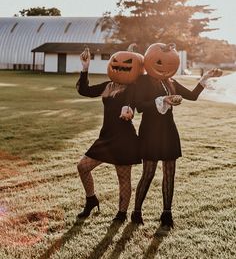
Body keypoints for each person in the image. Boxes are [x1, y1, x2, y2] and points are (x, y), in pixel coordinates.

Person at [131, 43, 222, 228]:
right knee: (148, 173)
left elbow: (193, 95)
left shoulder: (170, 81)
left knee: (169, 173)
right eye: (160, 62)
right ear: (150, 60)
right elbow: (140, 106)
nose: (165, 66)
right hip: (149, 131)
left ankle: (166, 215)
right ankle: (136, 212)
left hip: (168, 131)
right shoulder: (143, 81)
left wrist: (205, 78)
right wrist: (162, 100)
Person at [76, 48, 143, 222]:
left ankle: (121, 214)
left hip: (124, 139)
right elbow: (84, 90)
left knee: (123, 178)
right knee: (83, 166)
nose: (120, 70)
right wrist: (85, 68)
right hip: (105, 137)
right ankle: (91, 200)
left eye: (126, 67)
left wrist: (128, 109)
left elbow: (130, 102)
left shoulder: (134, 87)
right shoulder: (108, 85)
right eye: (116, 65)